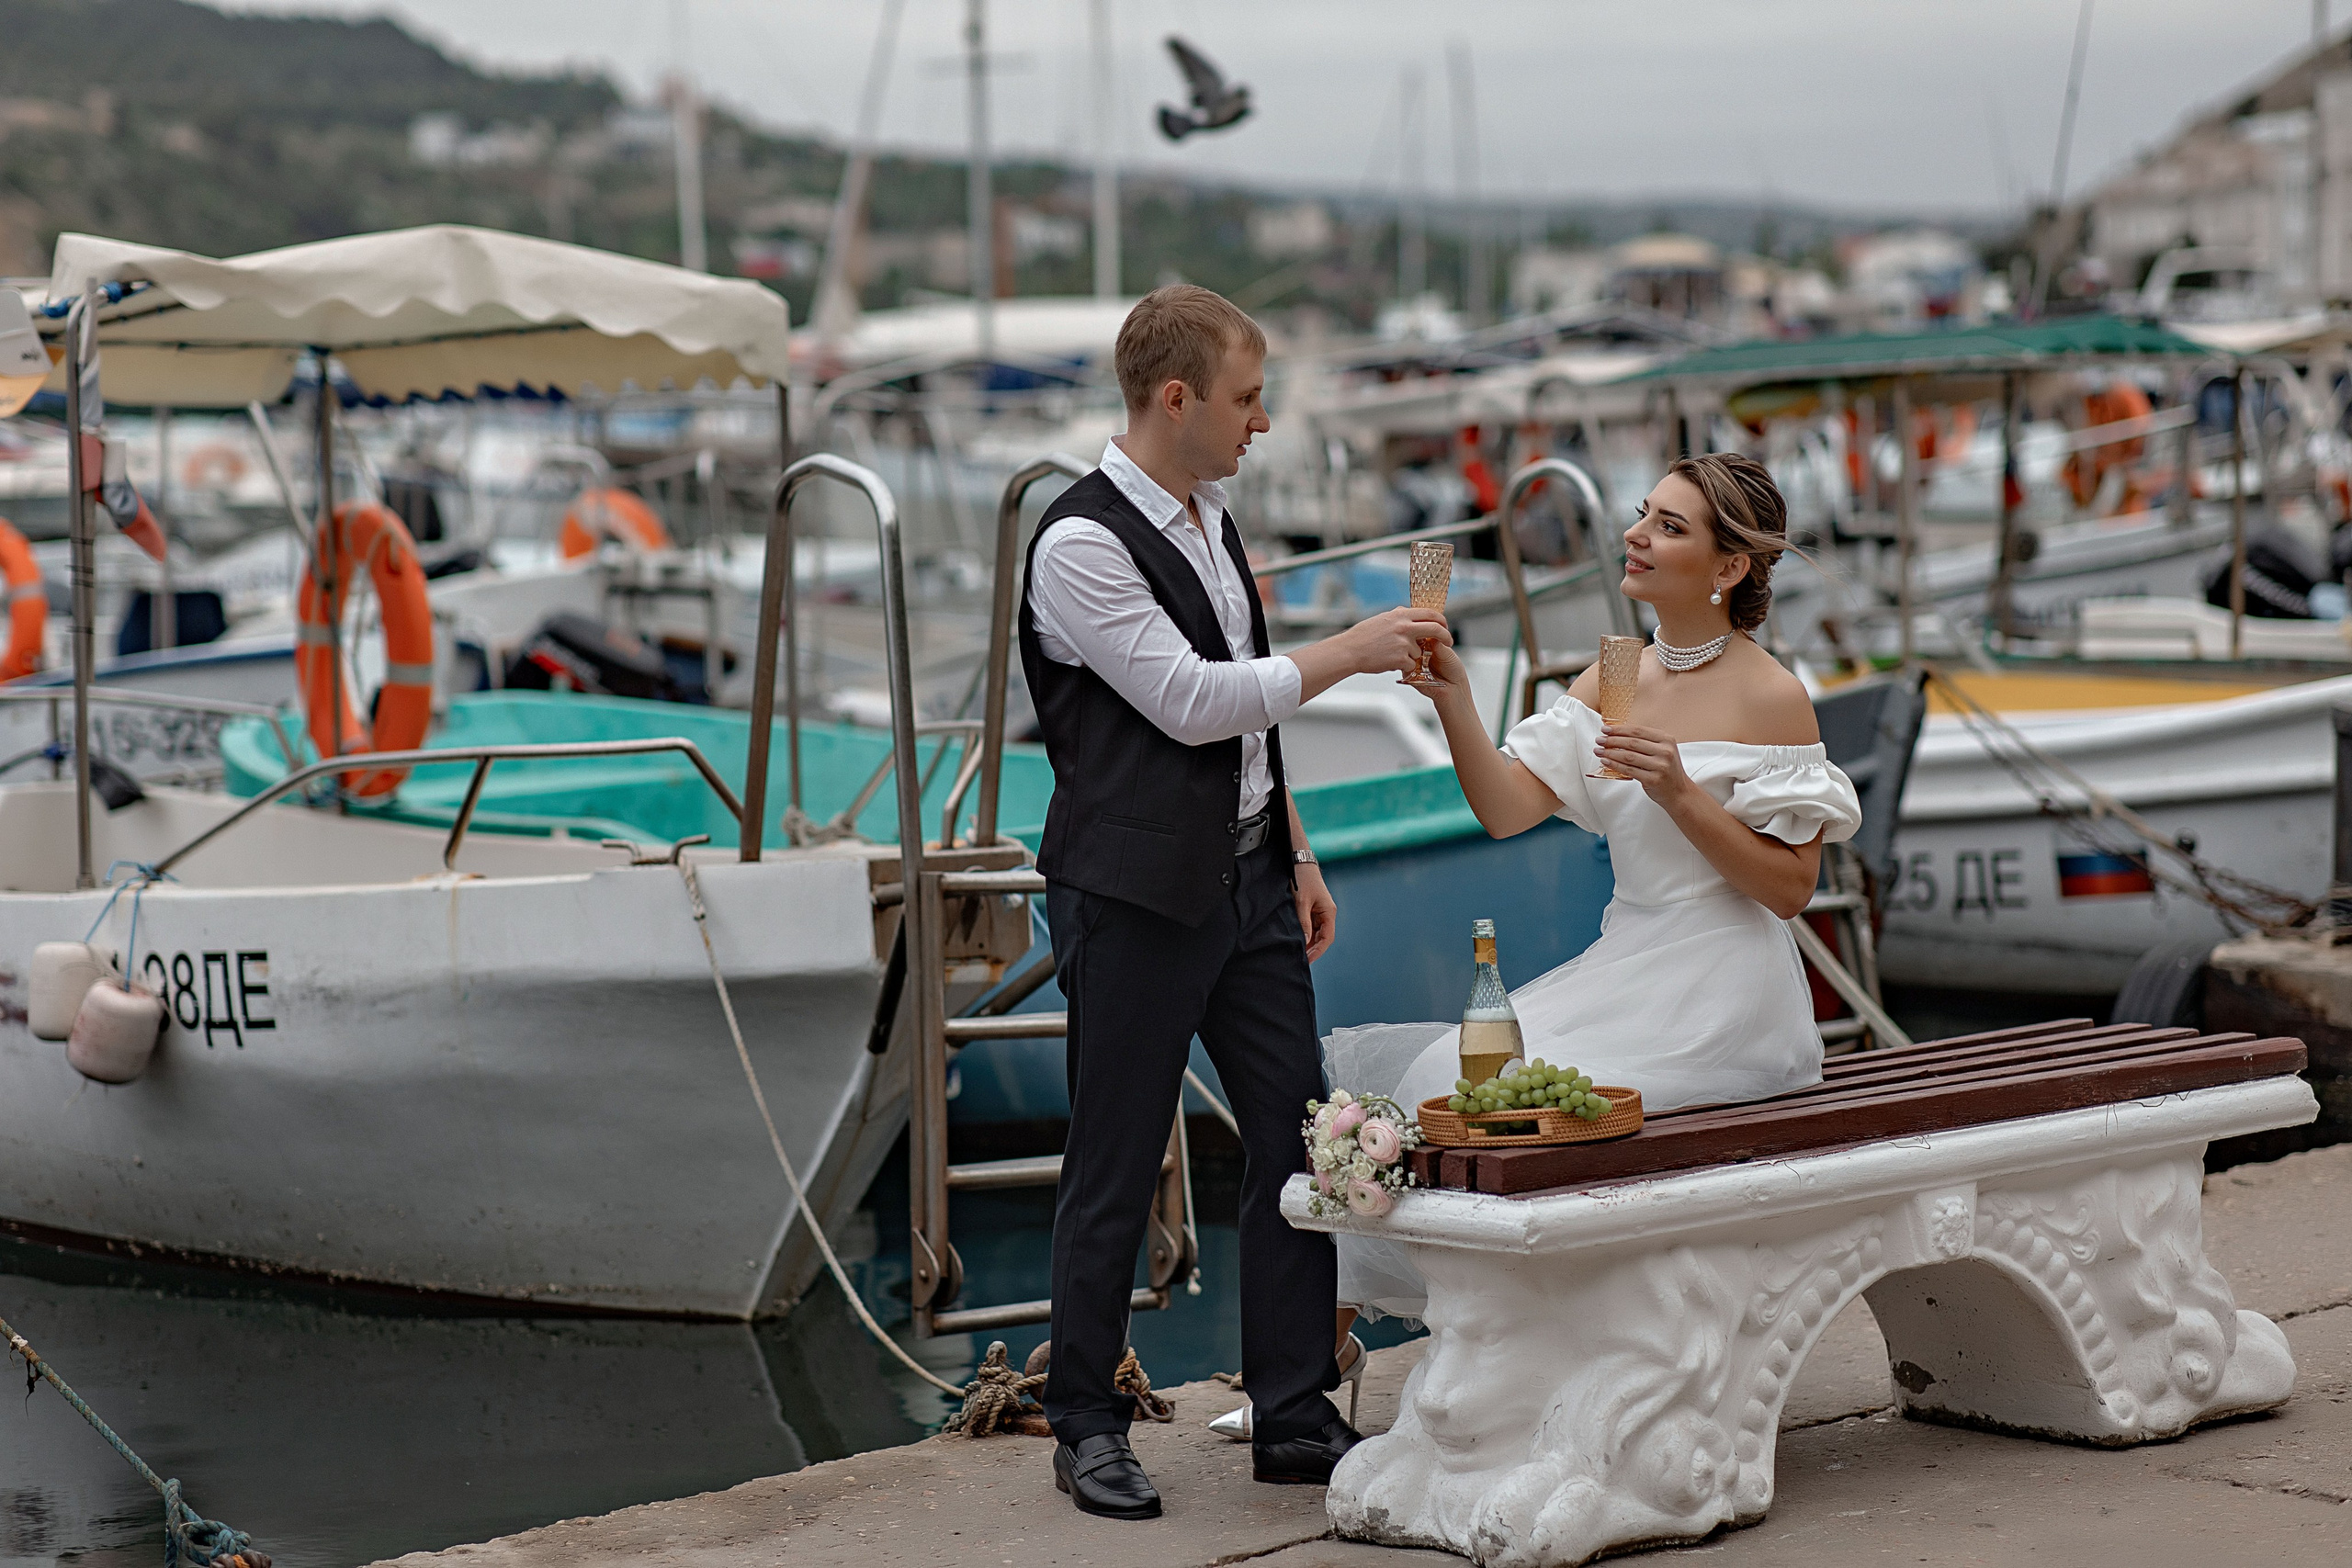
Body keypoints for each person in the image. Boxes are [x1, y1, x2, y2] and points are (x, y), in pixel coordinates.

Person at [1022, 284, 1453, 1519]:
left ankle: (1293, 1405)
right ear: (1178, 399)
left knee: (1301, 1143)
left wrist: (1299, 855)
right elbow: (1195, 701)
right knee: (1114, 1158)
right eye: (1248, 397)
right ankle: (1087, 1421)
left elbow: (1246, 742)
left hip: (1254, 881)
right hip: (1135, 897)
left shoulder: (1212, 519)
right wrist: (1353, 651)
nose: (1262, 421)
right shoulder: (1080, 542)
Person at [1314, 451, 1862, 1339]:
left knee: (1507, 1108)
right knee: (1430, 1080)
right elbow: (1502, 810)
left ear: (1729, 567)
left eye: (1668, 526)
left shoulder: (1773, 696)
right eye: (1644, 513)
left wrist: (1679, 791)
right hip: (1626, 962)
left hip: (1723, 988)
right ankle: (1323, 1355)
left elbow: (1791, 889)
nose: (1635, 535)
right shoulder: (1611, 682)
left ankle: (1505, 1338)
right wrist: (1453, 698)